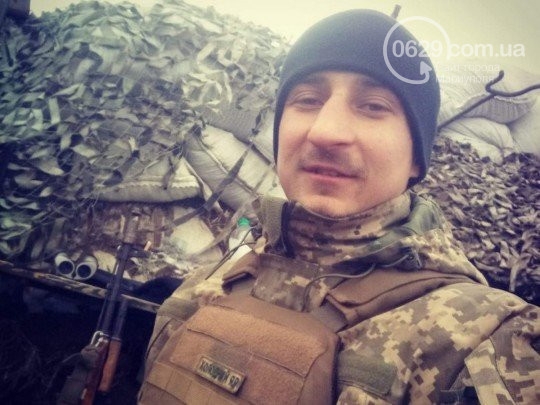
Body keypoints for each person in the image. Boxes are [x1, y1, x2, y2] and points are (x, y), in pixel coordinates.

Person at [138, 9, 539, 404]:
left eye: (373, 106)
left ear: (417, 158)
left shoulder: (489, 338)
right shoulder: (211, 280)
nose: (325, 131)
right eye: (307, 99)